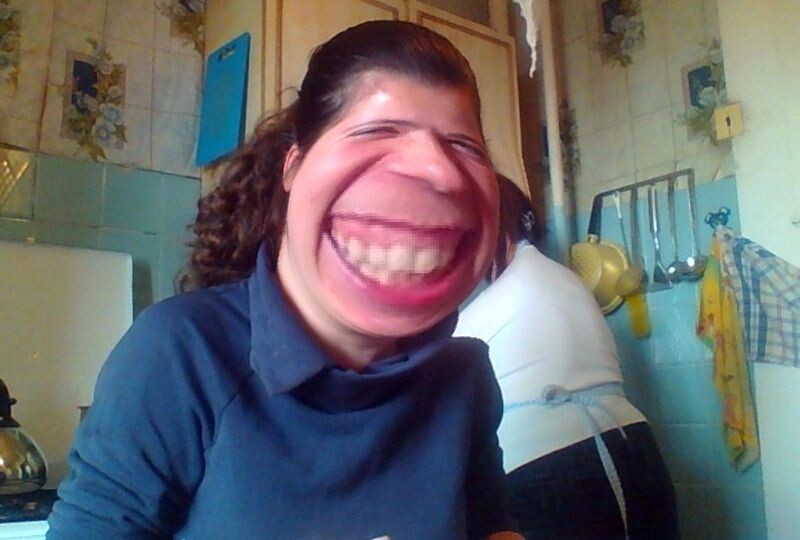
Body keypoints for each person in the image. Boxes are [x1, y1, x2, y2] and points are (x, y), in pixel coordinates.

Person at [47, 21, 523, 540]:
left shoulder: (465, 378)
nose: (440, 171)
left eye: (464, 145)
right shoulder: (180, 353)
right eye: (377, 130)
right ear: (293, 167)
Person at [454, 176, 679, 540]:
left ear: (490, 229)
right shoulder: (565, 279)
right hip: (635, 448)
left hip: (547, 467)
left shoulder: (487, 308)